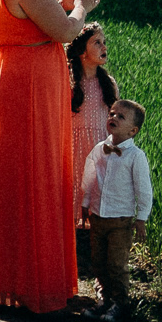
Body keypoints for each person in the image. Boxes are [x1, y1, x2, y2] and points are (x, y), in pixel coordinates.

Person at [0, 0, 98, 317]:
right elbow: (64, 32)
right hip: (29, 82)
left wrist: (58, 4)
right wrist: (81, 8)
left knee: (14, 175)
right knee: (37, 172)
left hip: (8, 73)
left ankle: (15, 277)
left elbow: (29, 21)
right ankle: (38, 282)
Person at [80, 98, 151, 322]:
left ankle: (120, 304)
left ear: (133, 130)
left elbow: (143, 189)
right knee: (98, 261)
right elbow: (90, 178)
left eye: (121, 117)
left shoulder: (135, 157)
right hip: (98, 216)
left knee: (116, 263)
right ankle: (104, 299)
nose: (113, 118)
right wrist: (85, 203)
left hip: (120, 220)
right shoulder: (99, 150)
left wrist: (141, 218)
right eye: (112, 113)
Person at [68, 24, 118, 233]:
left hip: (100, 149)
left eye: (104, 42)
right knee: (76, 186)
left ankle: (96, 234)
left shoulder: (109, 83)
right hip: (74, 149)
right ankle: (76, 235)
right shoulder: (69, 84)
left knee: (97, 189)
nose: (104, 47)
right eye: (97, 43)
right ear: (82, 52)